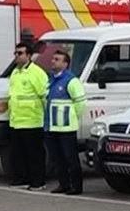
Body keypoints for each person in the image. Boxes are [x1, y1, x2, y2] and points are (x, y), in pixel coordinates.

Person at [6, 41, 48, 189]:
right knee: (18, 154)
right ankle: (20, 179)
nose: (17, 56)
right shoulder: (15, 72)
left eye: (20, 53)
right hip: (16, 121)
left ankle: (38, 181)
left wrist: (46, 119)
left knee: (35, 154)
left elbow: (44, 96)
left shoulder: (37, 73)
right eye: (15, 53)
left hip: (32, 120)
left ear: (29, 55)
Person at [44, 49, 86, 195]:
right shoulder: (50, 80)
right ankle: (63, 184)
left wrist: (71, 118)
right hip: (52, 127)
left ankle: (76, 186)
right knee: (58, 159)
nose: (53, 61)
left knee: (71, 159)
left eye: (57, 59)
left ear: (65, 63)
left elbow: (80, 103)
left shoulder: (71, 81)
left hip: (66, 128)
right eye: (53, 58)